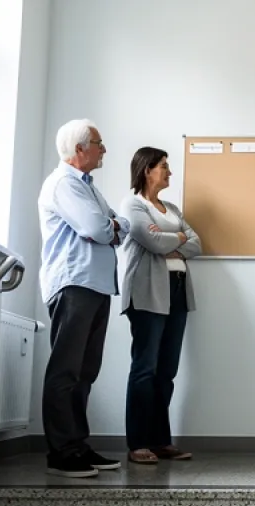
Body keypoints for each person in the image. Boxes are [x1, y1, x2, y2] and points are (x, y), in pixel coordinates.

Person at [37, 119, 128, 477]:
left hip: (96, 285)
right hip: (74, 283)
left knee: (86, 372)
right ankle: (61, 453)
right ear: (80, 149)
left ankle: (77, 445)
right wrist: (109, 227)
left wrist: (110, 226)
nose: (104, 149)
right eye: (99, 143)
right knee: (66, 370)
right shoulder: (64, 184)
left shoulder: (88, 187)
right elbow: (97, 228)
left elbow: (117, 224)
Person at [119, 147, 202, 465]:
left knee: (167, 370)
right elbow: (152, 242)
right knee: (145, 368)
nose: (169, 172)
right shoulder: (132, 205)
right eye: (164, 166)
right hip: (148, 291)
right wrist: (178, 237)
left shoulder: (171, 209)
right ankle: (139, 443)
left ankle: (160, 441)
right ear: (147, 170)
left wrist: (172, 239)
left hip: (178, 290)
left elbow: (197, 243)